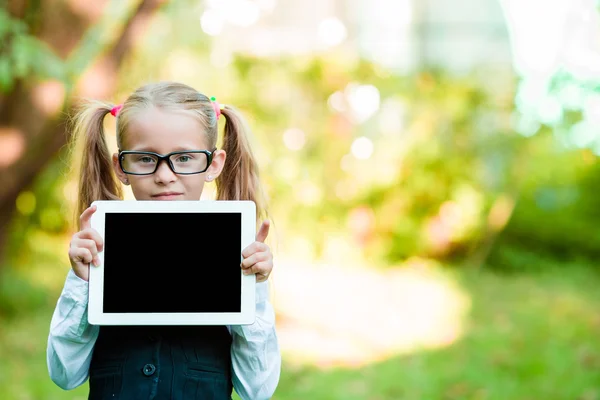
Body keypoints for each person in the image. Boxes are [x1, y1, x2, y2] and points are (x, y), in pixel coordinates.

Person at [46, 81, 281, 400]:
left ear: (213, 163)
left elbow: (258, 388)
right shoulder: (101, 247)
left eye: (184, 158)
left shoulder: (233, 251)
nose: (164, 175)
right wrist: (81, 282)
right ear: (121, 166)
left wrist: (253, 288)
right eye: (145, 158)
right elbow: (64, 374)